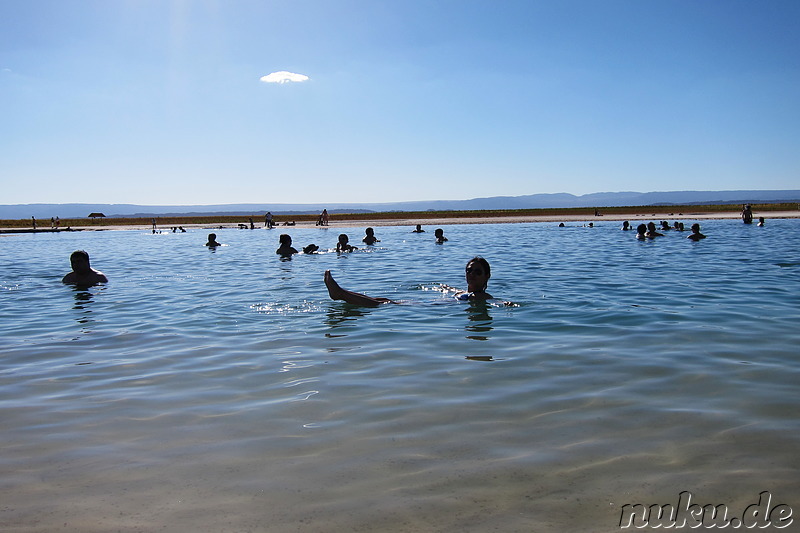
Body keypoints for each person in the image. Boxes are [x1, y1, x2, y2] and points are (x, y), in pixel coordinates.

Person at [323, 257, 495, 307]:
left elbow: (496, 302)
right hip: (432, 302)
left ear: (486, 276)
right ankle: (339, 293)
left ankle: (340, 293)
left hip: (429, 307)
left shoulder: (482, 296)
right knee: (382, 300)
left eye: (477, 272)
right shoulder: (465, 292)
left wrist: (507, 304)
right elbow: (453, 291)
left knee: (383, 304)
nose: (471, 274)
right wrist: (446, 287)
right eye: (469, 270)